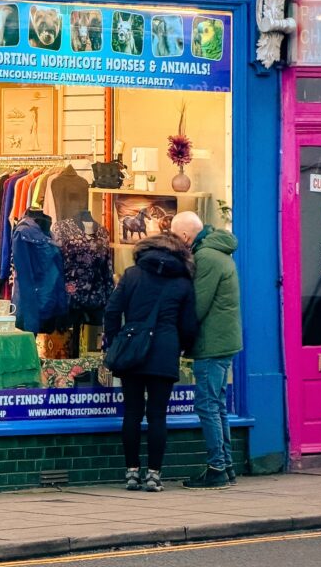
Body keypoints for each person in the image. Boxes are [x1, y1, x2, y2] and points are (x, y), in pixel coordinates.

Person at [104, 234, 198, 493]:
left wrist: (115, 341)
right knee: (158, 415)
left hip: (132, 349)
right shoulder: (183, 282)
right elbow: (189, 324)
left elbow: (112, 311)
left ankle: (131, 472)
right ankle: (154, 475)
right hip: (165, 351)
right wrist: (182, 346)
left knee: (132, 413)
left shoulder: (132, 274)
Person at [170, 211, 242, 489]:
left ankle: (217, 469)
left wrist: (176, 335)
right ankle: (227, 465)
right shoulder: (215, 250)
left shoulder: (206, 257)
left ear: (186, 236)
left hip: (213, 343)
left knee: (208, 406)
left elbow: (197, 306)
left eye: (177, 238)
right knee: (217, 405)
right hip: (222, 341)